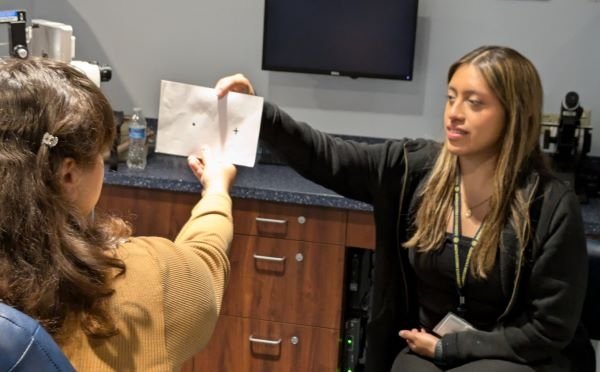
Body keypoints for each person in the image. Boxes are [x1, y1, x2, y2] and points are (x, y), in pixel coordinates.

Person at [215, 45, 593, 371]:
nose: (454, 113)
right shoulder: (413, 167)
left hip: (512, 356)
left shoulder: (549, 204)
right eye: (450, 97)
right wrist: (261, 114)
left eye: (474, 102)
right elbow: (327, 157)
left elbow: (549, 328)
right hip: (424, 348)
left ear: (515, 114)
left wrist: (451, 347)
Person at [0, 57, 236, 371]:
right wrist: (217, 191)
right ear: (68, 175)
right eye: (102, 155)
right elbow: (206, 260)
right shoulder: (142, 278)